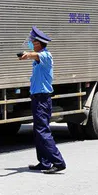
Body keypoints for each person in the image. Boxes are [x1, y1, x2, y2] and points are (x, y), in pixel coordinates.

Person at [19, 26, 66, 174]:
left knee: (42, 131)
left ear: (38, 43)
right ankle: (44, 162)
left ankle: (58, 162)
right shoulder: (39, 56)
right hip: (37, 98)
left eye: (33, 41)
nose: (31, 43)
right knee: (38, 131)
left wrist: (27, 54)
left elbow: (34, 55)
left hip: (42, 99)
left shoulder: (46, 56)